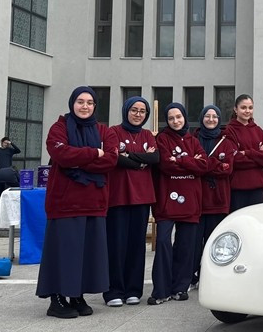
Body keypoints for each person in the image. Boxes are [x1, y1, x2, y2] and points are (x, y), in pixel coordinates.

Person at [37, 87, 119, 319]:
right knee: (65, 251)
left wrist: (79, 158)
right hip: (65, 202)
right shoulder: (59, 127)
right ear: (72, 103)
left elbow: (111, 159)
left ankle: (77, 295)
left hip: (94, 201)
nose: (85, 106)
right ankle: (57, 299)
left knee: (87, 253)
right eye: (81, 102)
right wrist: (95, 153)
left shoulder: (104, 130)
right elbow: (61, 154)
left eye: (90, 102)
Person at [104, 97, 160, 307]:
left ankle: (133, 289)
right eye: (134, 110)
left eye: (142, 111)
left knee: (137, 245)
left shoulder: (147, 134)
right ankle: (113, 291)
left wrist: (130, 156)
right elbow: (115, 157)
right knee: (116, 244)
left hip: (141, 197)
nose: (138, 114)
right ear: (126, 110)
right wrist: (140, 160)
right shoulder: (113, 132)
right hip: (118, 197)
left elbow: (155, 159)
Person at [151, 102, 209, 304]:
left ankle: (180, 287)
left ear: (185, 117)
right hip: (167, 202)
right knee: (163, 243)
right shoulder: (162, 139)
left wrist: (181, 160)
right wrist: (189, 161)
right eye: (171, 118)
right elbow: (166, 164)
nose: (176, 121)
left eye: (179, 117)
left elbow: (203, 165)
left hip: (191, 202)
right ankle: (161, 289)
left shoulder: (193, 140)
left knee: (186, 246)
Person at [194, 105, 235, 288]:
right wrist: (215, 163)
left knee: (214, 241)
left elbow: (227, 169)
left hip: (218, 197)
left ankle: (211, 277)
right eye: (207, 116)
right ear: (202, 118)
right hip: (198, 198)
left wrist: (202, 164)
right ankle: (193, 275)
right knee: (194, 241)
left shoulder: (226, 141)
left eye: (215, 116)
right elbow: (191, 166)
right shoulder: (193, 139)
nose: (211, 119)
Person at [223, 94, 263, 211]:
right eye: (243, 108)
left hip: (258, 186)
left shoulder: (258, 130)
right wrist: (258, 156)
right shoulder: (229, 130)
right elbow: (234, 159)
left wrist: (247, 153)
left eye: (250, 108)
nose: (247, 111)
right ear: (235, 109)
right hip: (238, 187)